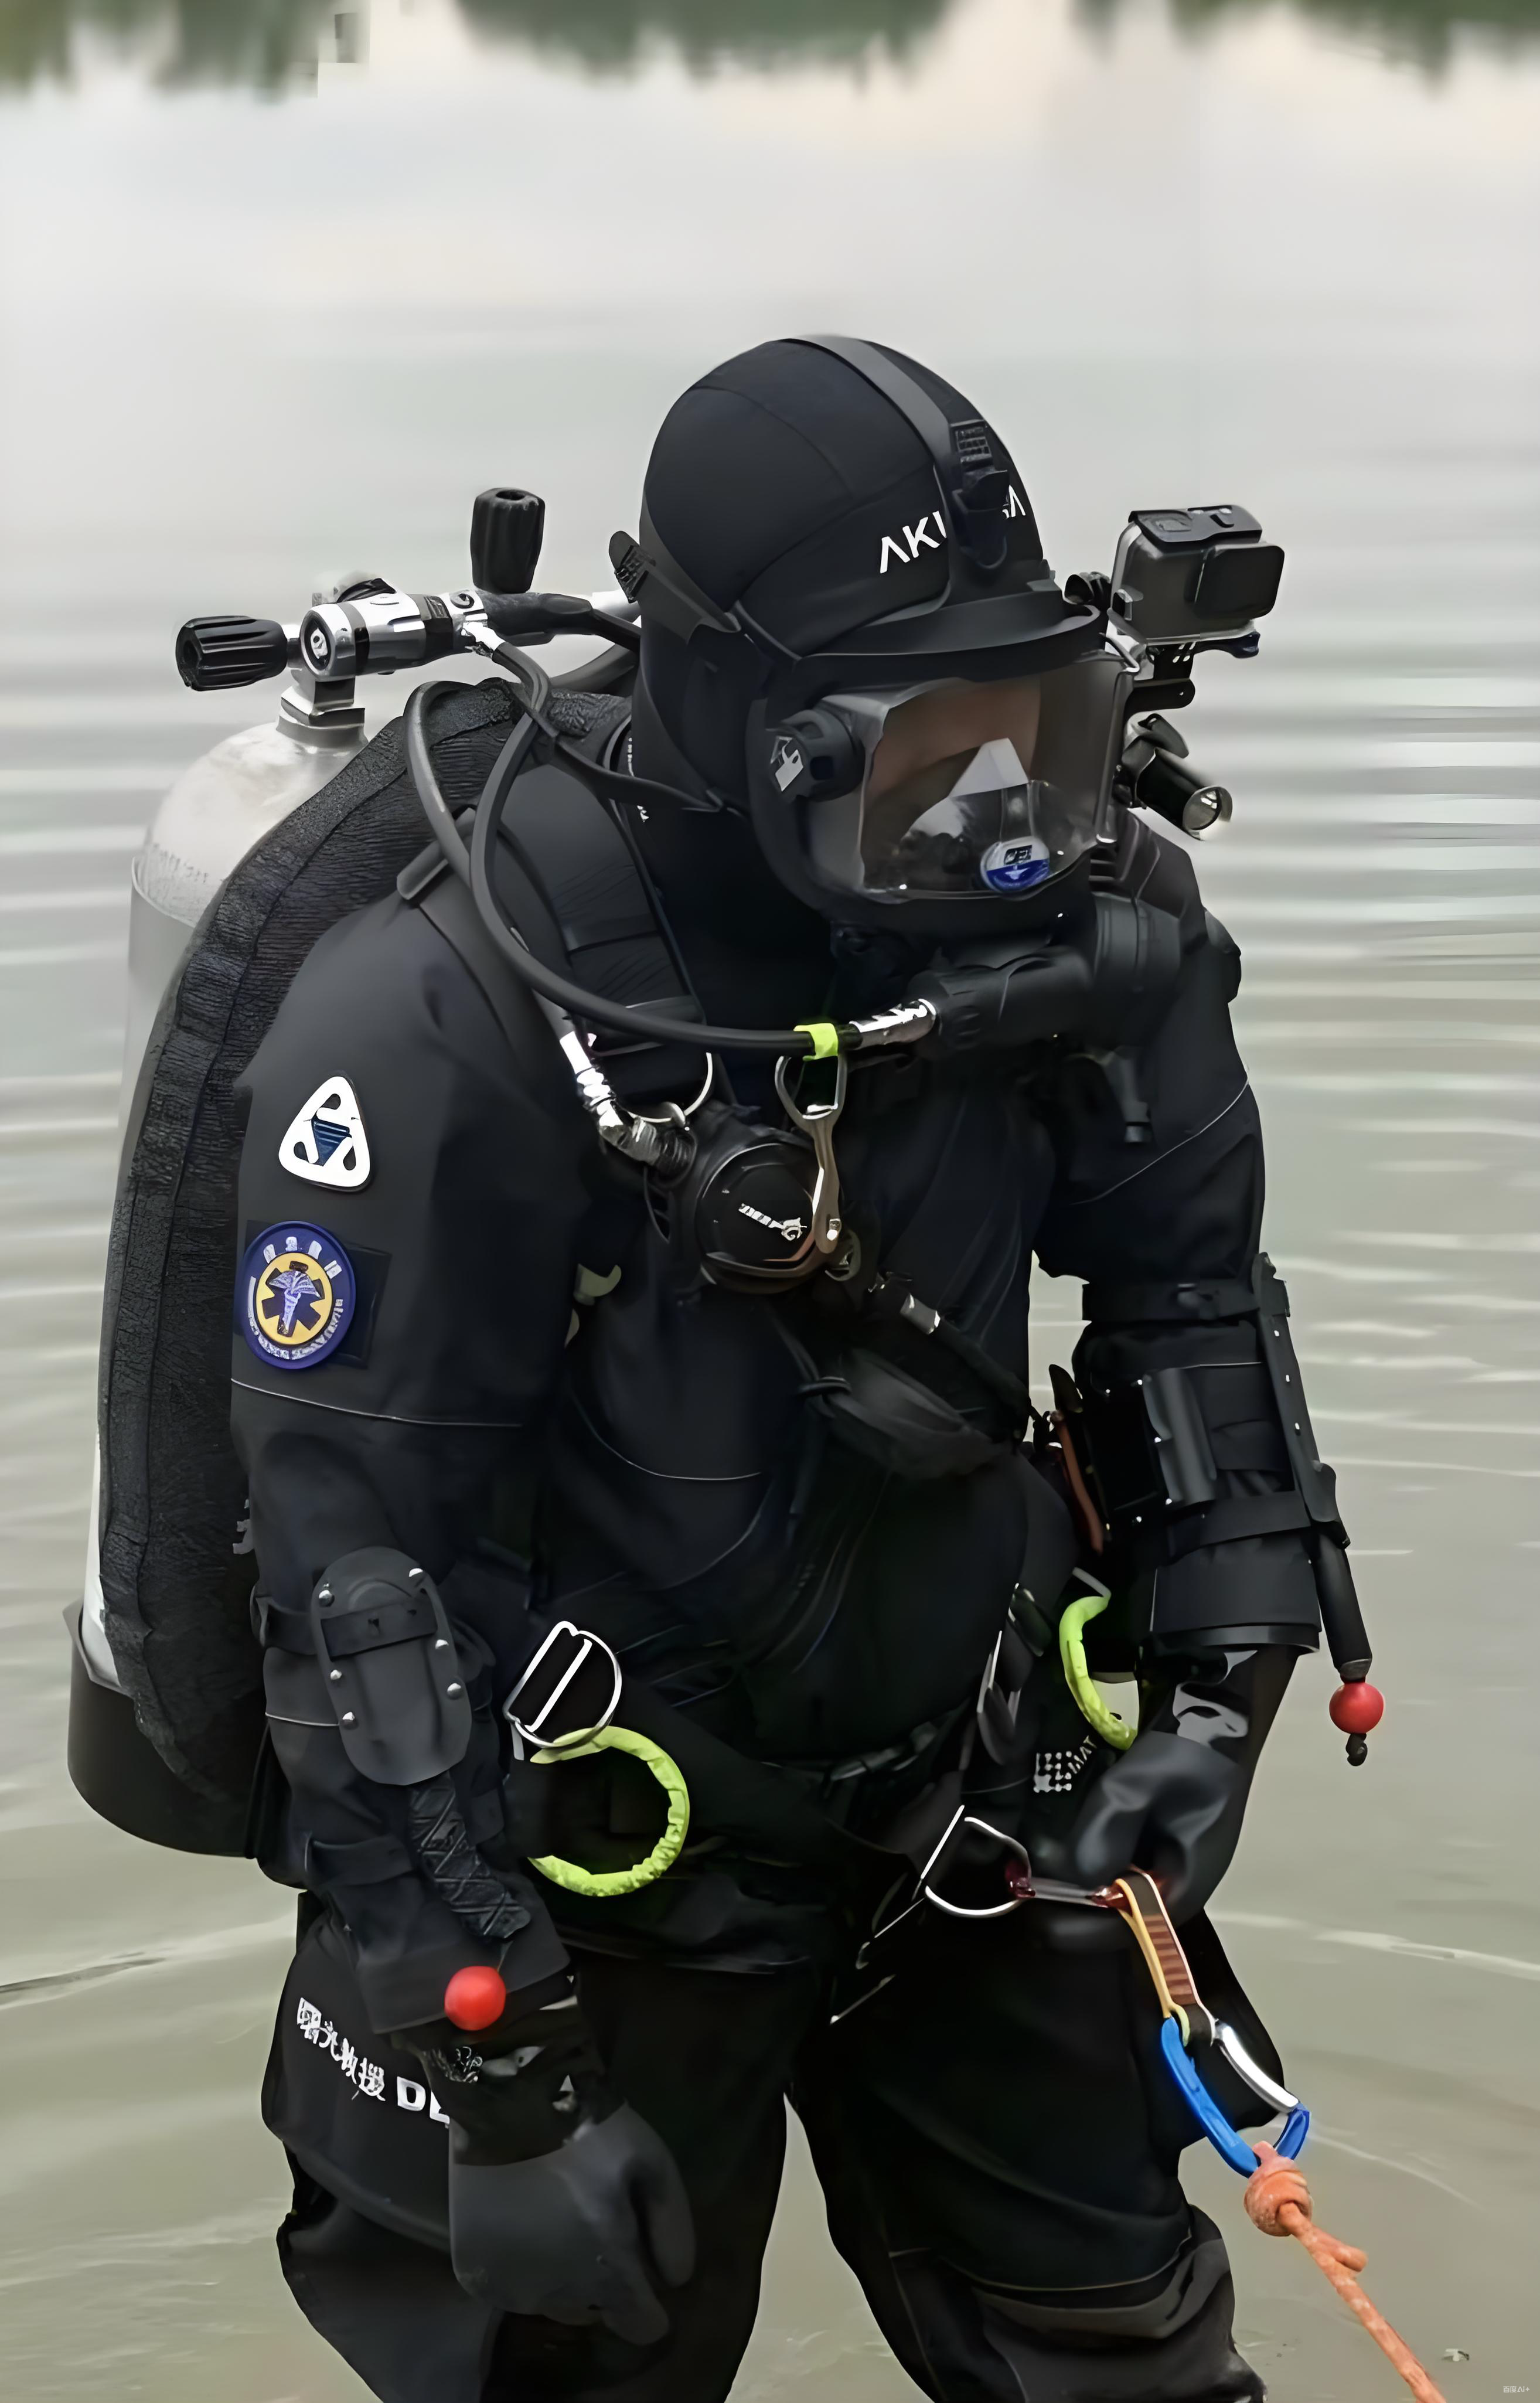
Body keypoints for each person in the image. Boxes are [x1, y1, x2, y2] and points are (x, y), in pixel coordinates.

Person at [237, 337, 1330, 2403]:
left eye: (1037, 716)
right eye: (928, 740)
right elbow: (353, 1581)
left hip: (984, 1807)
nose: (1003, 806)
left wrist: (1219, 1690)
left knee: (1128, 2362)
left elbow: (1192, 1307)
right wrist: (501, 2068)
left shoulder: (1087, 921)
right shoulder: (448, 1011)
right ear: (735, 700)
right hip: (591, 1883)